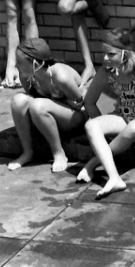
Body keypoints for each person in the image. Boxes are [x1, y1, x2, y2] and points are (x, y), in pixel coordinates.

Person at [77, 29, 135, 199]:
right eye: (103, 54)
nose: (105, 58)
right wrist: (103, 133)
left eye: (110, 54)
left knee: (133, 128)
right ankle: (114, 178)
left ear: (125, 53)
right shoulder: (107, 71)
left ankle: (92, 163)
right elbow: (89, 102)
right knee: (91, 126)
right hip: (123, 115)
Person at [7, 38, 86, 172]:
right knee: (18, 100)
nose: (16, 65)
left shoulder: (60, 76)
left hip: (75, 116)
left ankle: (59, 153)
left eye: (20, 62)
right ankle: (28, 152)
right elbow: (30, 96)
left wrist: (51, 103)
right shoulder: (26, 74)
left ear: (36, 63)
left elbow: (80, 104)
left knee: (38, 105)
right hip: (49, 113)